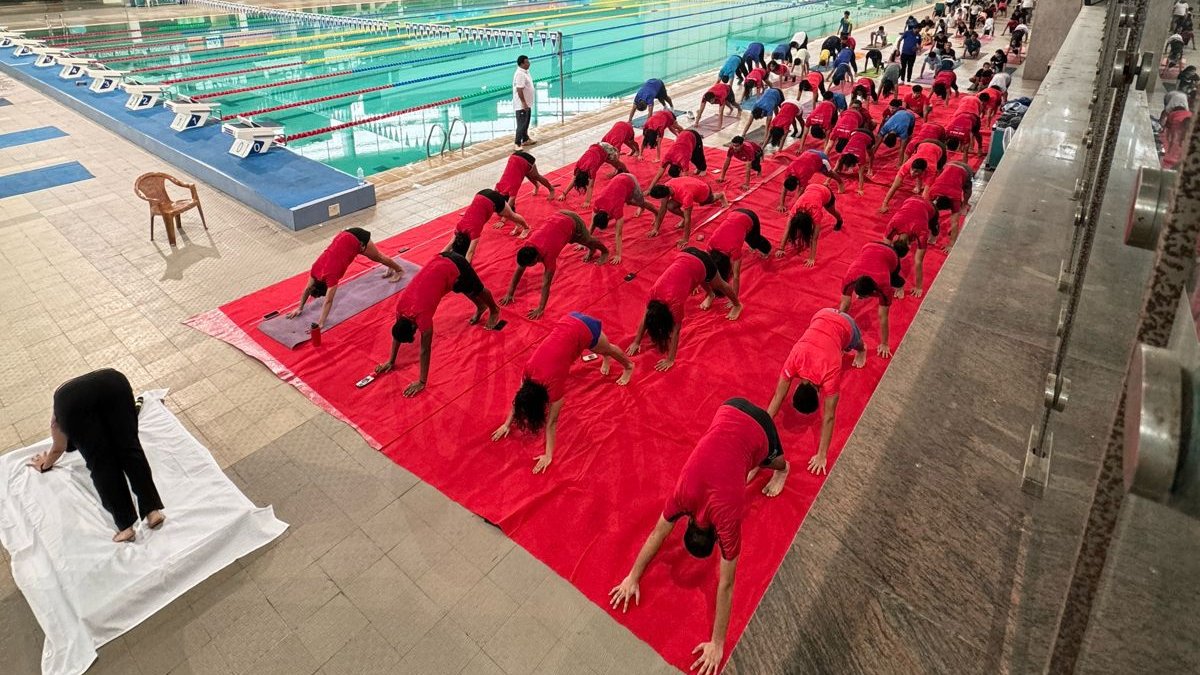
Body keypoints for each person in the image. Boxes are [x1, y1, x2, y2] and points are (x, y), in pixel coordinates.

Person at [609, 398, 786, 675]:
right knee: (742, 457)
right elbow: (659, 533)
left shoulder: (727, 521)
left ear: (695, 521)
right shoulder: (684, 496)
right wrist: (631, 576)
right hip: (728, 406)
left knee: (776, 461)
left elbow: (727, 584)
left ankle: (783, 471)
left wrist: (718, 644)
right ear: (689, 521)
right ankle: (751, 458)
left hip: (762, 427)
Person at [30, 369, 165, 543]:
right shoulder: (64, 405)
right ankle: (152, 511)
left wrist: (44, 465)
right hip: (113, 381)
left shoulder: (61, 412)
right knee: (130, 449)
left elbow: (58, 447)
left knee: (102, 463)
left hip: (73, 402)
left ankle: (126, 527)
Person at [492, 312, 633, 473]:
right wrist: (506, 424)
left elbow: (552, 422)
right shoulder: (528, 371)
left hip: (584, 328)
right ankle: (606, 357)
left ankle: (629, 366)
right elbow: (519, 397)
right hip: (567, 321)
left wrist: (548, 455)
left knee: (607, 348)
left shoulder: (553, 385)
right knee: (600, 348)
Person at [376, 251, 503, 395]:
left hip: (455, 264)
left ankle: (494, 309)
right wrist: (390, 361)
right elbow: (397, 334)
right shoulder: (400, 308)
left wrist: (421, 382)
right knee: (461, 286)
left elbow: (425, 350)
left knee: (477, 289)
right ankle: (481, 307)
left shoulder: (421, 317)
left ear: (413, 326)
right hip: (439, 264)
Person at [765, 309, 865, 475]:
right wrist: (762, 428)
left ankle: (862, 349)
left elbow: (829, 417)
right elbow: (778, 397)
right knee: (835, 342)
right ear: (797, 387)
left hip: (844, 323)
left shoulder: (830, 374)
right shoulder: (795, 359)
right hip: (820, 316)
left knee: (854, 344)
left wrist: (822, 455)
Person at [626, 247, 742, 371]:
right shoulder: (653, 294)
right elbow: (646, 317)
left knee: (719, 284)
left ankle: (737, 305)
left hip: (703, 261)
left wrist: (670, 359)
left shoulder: (675, 304)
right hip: (686, 253)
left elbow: (676, 331)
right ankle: (711, 294)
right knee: (697, 275)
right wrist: (636, 342)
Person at [287, 228, 406, 328]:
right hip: (344, 236)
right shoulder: (315, 269)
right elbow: (307, 289)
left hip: (358, 239)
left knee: (378, 257)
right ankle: (390, 267)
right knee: (377, 257)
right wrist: (299, 308)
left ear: (325, 286)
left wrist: (321, 322)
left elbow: (328, 300)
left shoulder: (331, 277)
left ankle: (399, 270)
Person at [500, 211, 609, 319]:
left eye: (530, 265)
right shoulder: (527, 247)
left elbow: (546, 284)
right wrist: (510, 293)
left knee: (588, 240)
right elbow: (519, 269)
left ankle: (605, 251)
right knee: (583, 241)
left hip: (572, 221)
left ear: (536, 259)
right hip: (558, 219)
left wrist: (540, 308)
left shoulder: (549, 255)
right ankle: (591, 250)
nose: (527, 267)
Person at [839, 240, 908, 359]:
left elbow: (883, 316)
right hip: (868, 247)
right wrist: (838, 329)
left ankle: (901, 285)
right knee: (844, 305)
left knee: (895, 280)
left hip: (891, 255)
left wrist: (885, 344)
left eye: (862, 297)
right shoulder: (849, 278)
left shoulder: (884, 285)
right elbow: (844, 305)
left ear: (872, 293)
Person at [647, 176, 729, 248]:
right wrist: (655, 229)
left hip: (703, 189)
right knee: (670, 206)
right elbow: (662, 209)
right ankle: (682, 217)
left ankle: (721, 195)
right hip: (689, 186)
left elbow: (688, 218)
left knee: (709, 200)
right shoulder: (666, 186)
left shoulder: (686, 195)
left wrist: (685, 239)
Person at [706, 208, 771, 297]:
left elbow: (736, 276)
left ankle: (768, 249)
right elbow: (701, 265)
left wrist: (734, 299)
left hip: (749, 216)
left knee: (754, 242)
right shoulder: (710, 244)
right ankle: (746, 233)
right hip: (734, 212)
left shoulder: (734, 250)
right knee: (746, 236)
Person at [448, 189, 528, 261]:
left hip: (493, 199)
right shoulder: (459, 227)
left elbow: (470, 253)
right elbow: (450, 244)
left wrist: (464, 271)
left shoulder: (474, 232)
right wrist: (438, 258)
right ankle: (518, 223)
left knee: (511, 215)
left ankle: (526, 227)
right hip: (481, 195)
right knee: (502, 213)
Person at [591, 172, 650, 265]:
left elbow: (619, 234)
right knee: (629, 202)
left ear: (608, 217)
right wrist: (584, 242)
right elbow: (592, 224)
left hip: (629, 180)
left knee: (640, 202)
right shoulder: (597, 203)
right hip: (618, 180)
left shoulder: (616, 209)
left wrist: (618, 254)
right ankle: (640, 205)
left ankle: (654, 211)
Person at [885, 195, 938, 297]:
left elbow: (918, 262)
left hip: (929, 207)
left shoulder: (922, 232)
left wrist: (919, 287)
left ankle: (935, 232)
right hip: (910, 199)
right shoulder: (893, 224)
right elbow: (886, 252)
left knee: (933, 234)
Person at [777, 182, 843, 266]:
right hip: (811, 188)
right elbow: (787, 228)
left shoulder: (816, 214)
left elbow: (814, 238)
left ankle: (840, 220)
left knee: (832, 211)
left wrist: (811, 258)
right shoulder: (794, 211)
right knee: (793, 228)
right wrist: (781, 248)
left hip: (825, 192)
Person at [879, 138, 947, 211]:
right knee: (899, 183)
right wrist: (884, 204)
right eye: (912, 170)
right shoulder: (906, 166)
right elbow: (894, 186)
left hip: (940, 147)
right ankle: (918, 187)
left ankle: (926, 186)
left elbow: (925, 195)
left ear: (924, 171)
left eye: (916, 171)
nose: (912, 173)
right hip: (923, 143)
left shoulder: (932, 170)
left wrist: (919, 211)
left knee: (939, 174)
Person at [561, 142, 629, 207]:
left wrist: (587, 201)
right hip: (596, 148)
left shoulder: (591, 170)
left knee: (616, 161)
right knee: (610, 161)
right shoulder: (578, 167)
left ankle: (626, 171)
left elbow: (590, 186)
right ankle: (618, 168)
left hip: (605, 149)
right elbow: (574, 180)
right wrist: (563, 194)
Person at [926, 160, 975, 250]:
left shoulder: (955, 199)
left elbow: (955, 223)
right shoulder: (933, 191)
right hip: (948, 165)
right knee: (930, 212)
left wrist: (951, 244)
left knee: (967, 188)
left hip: (965, 169)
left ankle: (965, 204)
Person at [777, 148, 844, 212]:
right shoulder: (788, 170)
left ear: (797, 182)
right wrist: (781, 204)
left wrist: (792, 209)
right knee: (822, 171)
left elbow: (799, 194)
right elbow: (784, 187)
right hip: (809, 153)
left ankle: (840, 182)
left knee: (829, 174)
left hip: (821, 158)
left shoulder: (803, 175)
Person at [835, 128, 876, 195]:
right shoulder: (843, 154)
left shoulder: (861, 157)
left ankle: (870, 168)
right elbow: (834, 170)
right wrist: (826, 182)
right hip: (855, 132)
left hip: (869, 135)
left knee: (870, 154)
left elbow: (861, 175)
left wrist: (860, 189)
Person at [878, 100, 919, 164]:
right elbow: (878, 141)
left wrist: (900, 163)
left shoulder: (903, 131)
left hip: (910, 116)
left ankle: (908, 137)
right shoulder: (886, 126)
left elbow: (902, 149)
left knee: (908, 136)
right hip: (899, 115)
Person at [512, 55, 535, 149]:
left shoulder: (525, 71)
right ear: (522, 64)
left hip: (527, 103)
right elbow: (519, 90)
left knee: (526, 123)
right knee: (521, 125)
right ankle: (517, 143)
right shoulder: (520, 74)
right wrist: (524, 103)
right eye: (527, 62)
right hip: (522, 105)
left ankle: (525, 139)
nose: (529, 63)